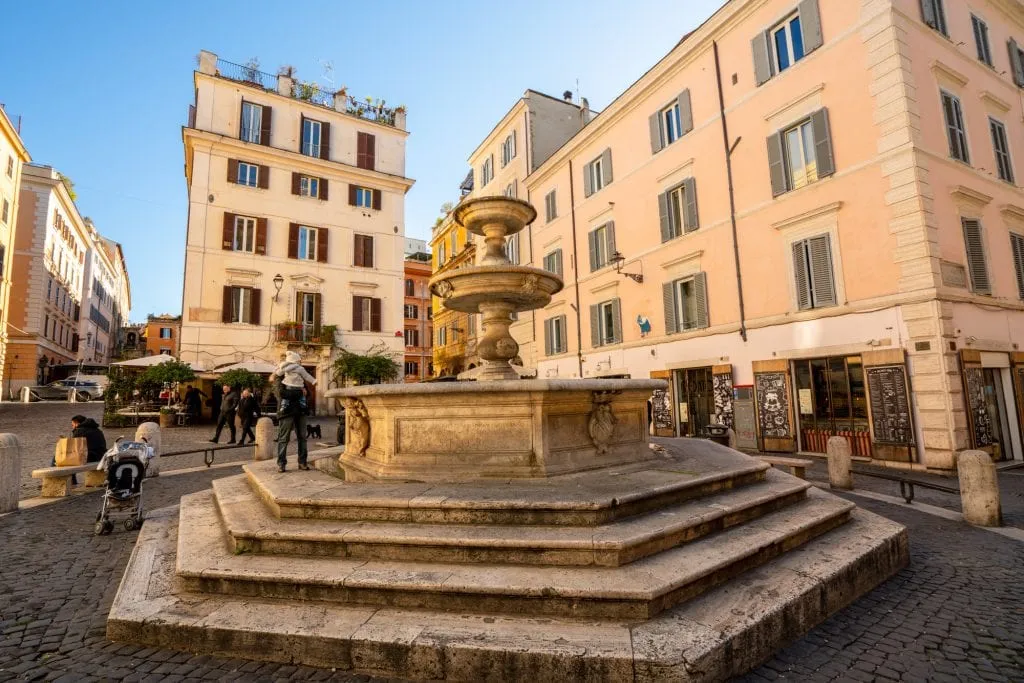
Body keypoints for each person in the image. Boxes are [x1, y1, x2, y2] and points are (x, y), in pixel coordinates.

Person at [273, 351, 317, 472]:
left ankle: (302, 462)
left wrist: (305, 393)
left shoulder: (300, 375)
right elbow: (280, 394)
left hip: (301, 409)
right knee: (283, 438)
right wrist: (298, 393)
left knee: (302, 437)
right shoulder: (280, 376)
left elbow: (308, 393)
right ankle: (281, 463)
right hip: (286, 410)